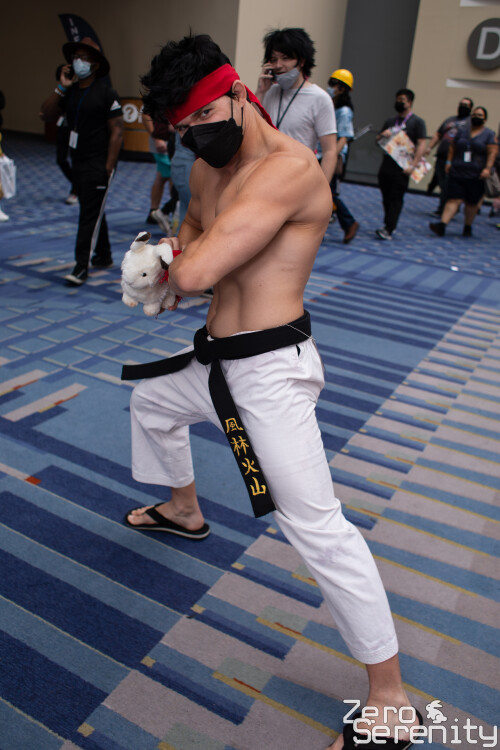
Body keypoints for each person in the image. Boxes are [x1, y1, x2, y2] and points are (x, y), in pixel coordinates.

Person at [123, 34, 421, 749]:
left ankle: (391, 698)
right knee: (152, 402)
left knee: (316, 526)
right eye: (182, 128)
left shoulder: (288, 170)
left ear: (236, 94)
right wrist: (171, 256)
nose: (195, 137)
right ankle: (184, 509)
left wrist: (169, 267)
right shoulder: (208, 165)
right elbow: (191, 233)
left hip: (269, 370)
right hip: (215, 358)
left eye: (202, 118)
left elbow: (195, 272)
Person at [40, 37, 123, 286]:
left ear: (95, 64)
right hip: (78, 160)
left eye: (84, 58)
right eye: (76, 57)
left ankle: (80, 267)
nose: (78, 62)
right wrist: (61, 87)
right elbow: (46, 114)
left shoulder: (107, 93)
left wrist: (108, 167)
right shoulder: (71, 93)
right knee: (92, 207)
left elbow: (117, 132)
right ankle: (104, 255)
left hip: (99, 162)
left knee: (88, 215)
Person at [256, 27, 337, 186]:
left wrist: (322, 190)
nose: (278, 65)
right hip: (266, 177)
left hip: (299, 181)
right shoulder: (269, 93)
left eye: (285, 58)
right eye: (273, 59)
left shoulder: (320, 99)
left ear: (301, 61)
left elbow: (330, 151)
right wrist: (260, 92)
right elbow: (251, 130)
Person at [430, 105, 498, 238]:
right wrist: (449, 162)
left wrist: (487, 168)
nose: (476, 117)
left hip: (476, 174)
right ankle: (442, 225)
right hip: (458, 171)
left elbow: (492, 153)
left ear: (485, 119)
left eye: (480, 115)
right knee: (453, 199)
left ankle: (467, 226)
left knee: (471, 203)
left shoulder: (489, 134)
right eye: (474, 115)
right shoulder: (462, 131)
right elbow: (452, 147)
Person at [375, 88, 427, 240]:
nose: (399, 103)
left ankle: (389, 228)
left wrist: (413, 165)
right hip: (387, 163)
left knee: (396, 197)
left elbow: (421, 144)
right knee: (386, 196)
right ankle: (387, 223)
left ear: (409, 103)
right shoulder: (390, 121)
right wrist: (382, 135)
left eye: (402, 100)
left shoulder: (417, 122)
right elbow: (377, 141)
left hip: (403, 166)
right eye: (397, 100)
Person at [425, 97, 473, 216]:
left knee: (448, 185)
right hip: (441, 157)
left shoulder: (470, 123)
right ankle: (450, 206)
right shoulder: (450, 120)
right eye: (461, 104)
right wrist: (429, 147)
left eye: (465, 105)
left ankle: (444, 210)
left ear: (470, 108)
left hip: (456, 159)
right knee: (443, 183)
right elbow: (438, 134)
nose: (462, 107)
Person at [327, 69, 359, 243]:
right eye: (331, 83)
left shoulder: (344, 111)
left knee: (328, 192)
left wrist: (331, 156)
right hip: (322, 152)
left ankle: (349, 223)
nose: (331, 87)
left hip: (333, 155)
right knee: (325, 192)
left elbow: (344, 137)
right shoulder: (331, 104)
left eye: (335, 85)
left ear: (343, 89)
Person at [143, 113, 172, 234]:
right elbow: (146, 115)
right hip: (161, 141)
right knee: (172, 177)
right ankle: (166, 210)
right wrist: (156, 138)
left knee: (162, 176)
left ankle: (155, 211)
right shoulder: (154, 102)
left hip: (173, 141)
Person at [53, 65, 78, 205]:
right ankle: (77, 184)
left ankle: (75, 190)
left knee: (76, 160)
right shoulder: (61, 90)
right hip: (63, 126)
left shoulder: (78, 90)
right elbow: (53, 107)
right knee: (60, 159)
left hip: (76, 129)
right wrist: (62, 86)